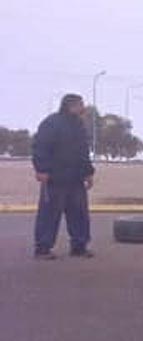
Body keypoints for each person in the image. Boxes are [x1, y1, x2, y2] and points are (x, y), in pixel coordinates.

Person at [32, 93, 95, 259]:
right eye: (81, 104)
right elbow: (40, 147)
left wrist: (88, 173)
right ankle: (43, 248)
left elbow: (83, 152)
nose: (83, 107)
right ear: (71, 106)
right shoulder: (51, 123)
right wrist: (41, 169)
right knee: (49, 214)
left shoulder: (79, 126)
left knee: (79, 214)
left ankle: (79, 247)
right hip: (55, 178)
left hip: (76, 179)